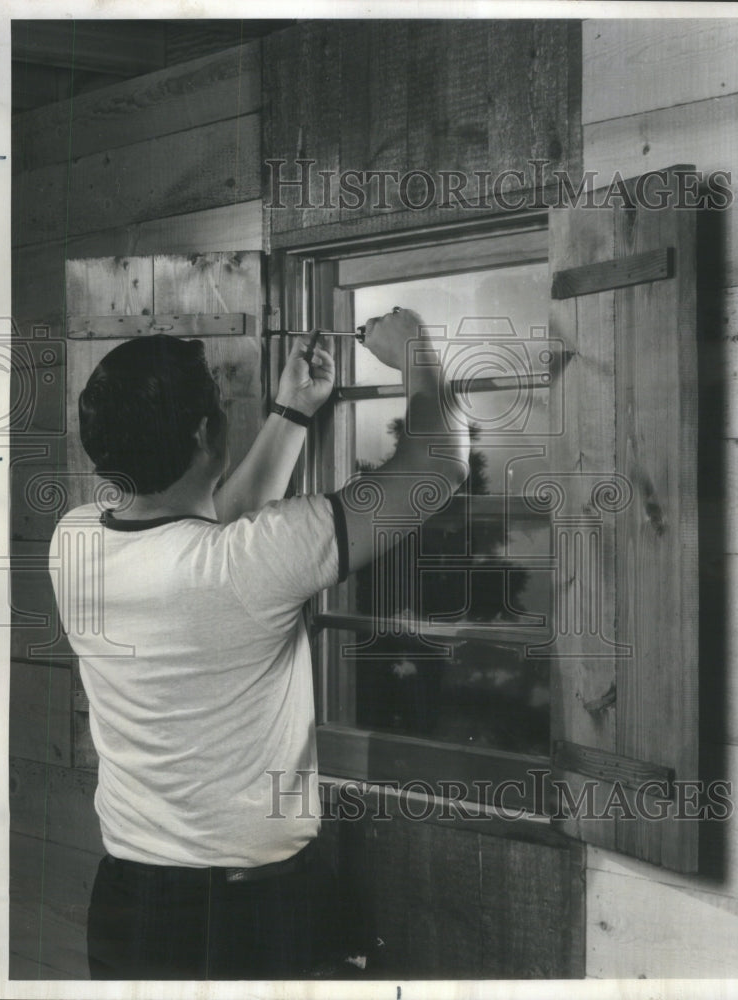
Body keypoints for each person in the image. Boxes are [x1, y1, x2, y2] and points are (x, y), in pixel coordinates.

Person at [48, 308, 468, 980]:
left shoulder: (74, 540)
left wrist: (293, 412)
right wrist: (418, 347)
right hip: (246, 921)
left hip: (129, 907)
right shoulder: (244, 562)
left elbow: (214, 529)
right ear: (207, 433)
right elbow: (439, 464)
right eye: (218, 403)